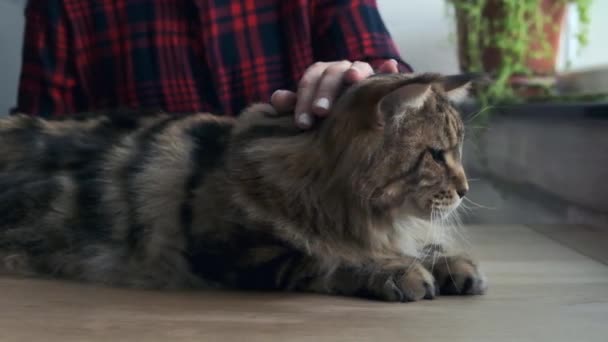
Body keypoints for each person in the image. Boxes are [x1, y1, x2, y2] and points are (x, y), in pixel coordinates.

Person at [14, 0, 412, 129]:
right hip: (146, 283)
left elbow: (394, 83)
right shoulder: (62, 7)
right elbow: (32, 156)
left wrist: (361, 87)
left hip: (313, 265)